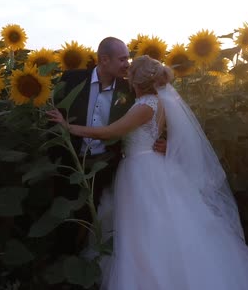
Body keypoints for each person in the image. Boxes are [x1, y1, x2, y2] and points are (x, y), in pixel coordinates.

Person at [47, 55, 248, 290]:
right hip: (152, 165)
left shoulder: (144, 106)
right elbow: (178, 136)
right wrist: (168, 146)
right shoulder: (160, 102)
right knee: (160, 223)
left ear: (135, 80)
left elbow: (109, 132)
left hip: (140, 169)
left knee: (144, 229)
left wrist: (69, 127)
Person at [52, 37, 165, 255]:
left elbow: (155, 111)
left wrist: (165, 141)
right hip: (71, 163)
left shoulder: (130, 87)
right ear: (104, 59)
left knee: (101, 220)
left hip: (107, 166)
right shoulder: (72, 79)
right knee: (66, 222)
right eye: (123, 59)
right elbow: (54, 115)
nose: (127, 64)